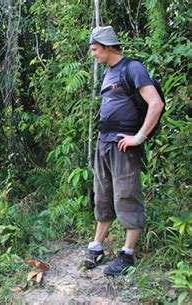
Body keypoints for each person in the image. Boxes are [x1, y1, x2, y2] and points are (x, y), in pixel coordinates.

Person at [84, 26, 164, 276]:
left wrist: (139, 138)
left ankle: (126, 255)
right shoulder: (107, 73)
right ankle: (97, 246)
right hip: (104, 144)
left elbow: (156, 103)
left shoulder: (133, 68)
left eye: (95, 49)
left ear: (108, 46)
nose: (93, 54)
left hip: (122, 144)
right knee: (103, 194)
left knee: (126, 196)